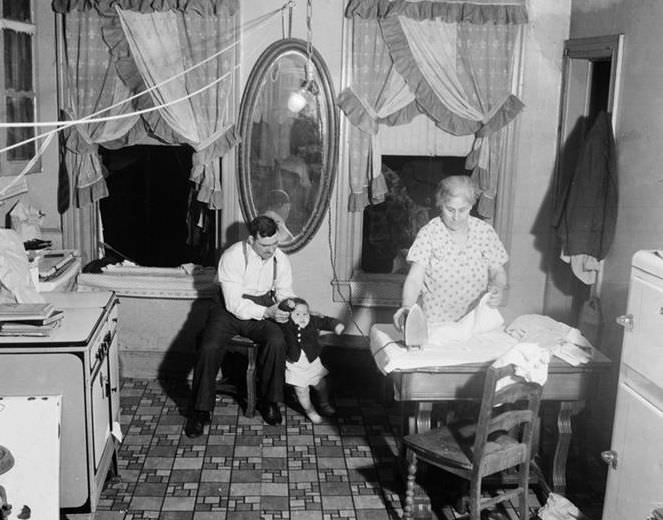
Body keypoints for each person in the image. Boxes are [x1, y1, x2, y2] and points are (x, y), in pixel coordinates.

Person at [185, 216, 295, 437]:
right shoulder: (233, 256)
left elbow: (284, 291)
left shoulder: (279, 258)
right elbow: (234, 303)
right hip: (228, 310)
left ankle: (269, 401)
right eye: (265, 245)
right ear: (251, 240)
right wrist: (266, 312)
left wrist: (289, 305)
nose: (271, 249)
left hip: (263, 306)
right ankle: (200, 410)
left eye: (275, 243)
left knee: (276, 340)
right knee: (209, 346)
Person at [394, 175, 508, 328]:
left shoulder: (484, 232)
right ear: (440, 205)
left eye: (462, 210)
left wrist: (498, 288)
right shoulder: (429, 233)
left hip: (477, 320)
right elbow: (415, 278)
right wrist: (407, 306)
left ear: (471, 206)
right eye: (450, 209)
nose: (456, 217)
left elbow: (497, 271)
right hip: (436, 321)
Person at [278, 297, 344, 424]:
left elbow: (326, 321)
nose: (302, 317)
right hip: (295, 364)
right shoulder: (287, 324)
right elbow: (282, 309)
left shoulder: (312, 321)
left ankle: (324, 404)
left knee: (321, 385)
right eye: (297, 314)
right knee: (301, 390)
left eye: (305, 314)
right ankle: (310, 410)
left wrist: (336, 325)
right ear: (289, 315)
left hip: (312, 362)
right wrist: (287, 305)